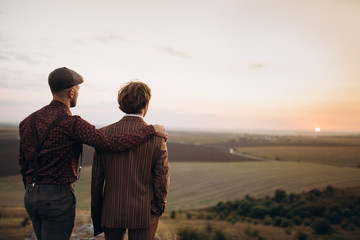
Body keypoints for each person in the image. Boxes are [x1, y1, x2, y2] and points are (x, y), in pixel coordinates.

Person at [19, 67, 167, 240]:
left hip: (31, 194)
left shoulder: (27, 121)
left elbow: (23, 162)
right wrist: (150, 130)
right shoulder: (72, 123)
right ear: (72, 93)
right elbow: (111, 143)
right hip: (57, 196)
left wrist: (32, 189)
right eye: (78, 90)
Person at [91, 81, 169, 240]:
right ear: (146, 104)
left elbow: (97, 180)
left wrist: (98, 211)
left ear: (121, 104)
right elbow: (162, 179)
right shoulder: (157, 138)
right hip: (144, 211)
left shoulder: (103, 134)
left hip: (111, 209)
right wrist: (157, 209)